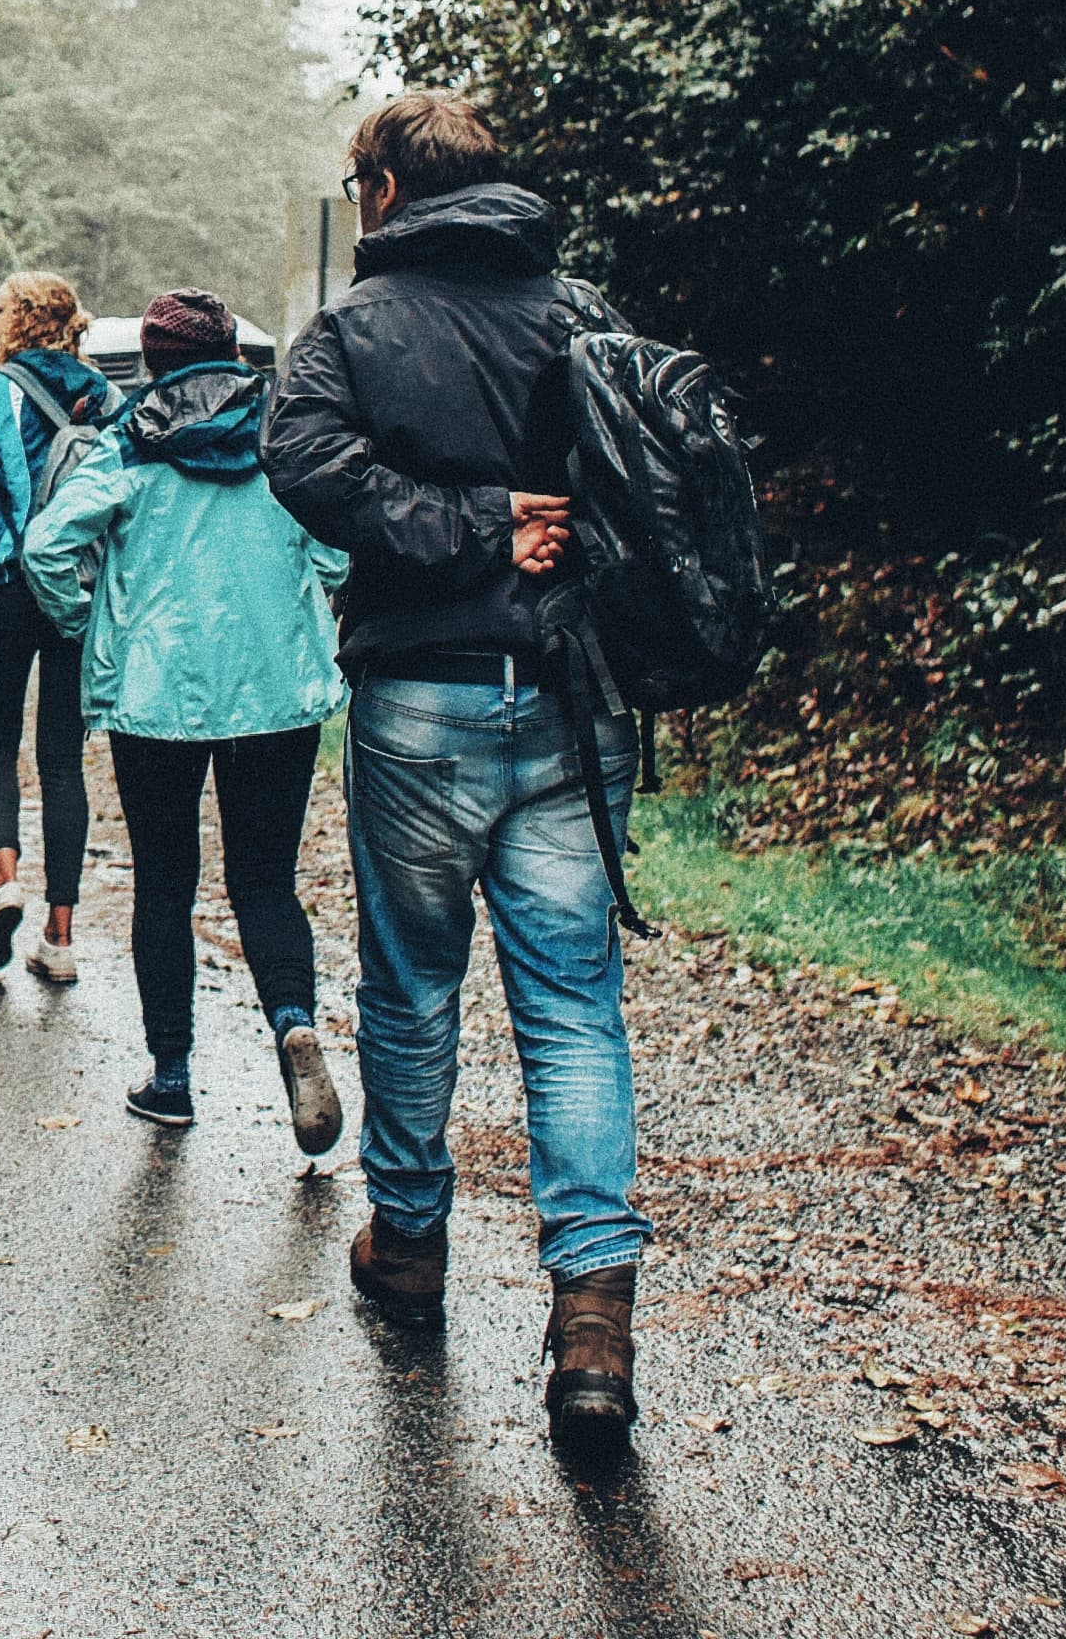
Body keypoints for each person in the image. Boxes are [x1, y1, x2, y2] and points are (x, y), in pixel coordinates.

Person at [262, 90, 652, 1456]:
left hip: (420, 698)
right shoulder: (584, 317)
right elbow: (652, 478)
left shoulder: (354, 331)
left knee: (415, 986)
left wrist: (457, 525)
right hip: (572, 701)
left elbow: (301, 460)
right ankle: (592, 1320)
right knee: (575, 1004)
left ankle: (412, 1245)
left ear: (383, 188)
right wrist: (512, 521)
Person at [22, 290, 350, 1150]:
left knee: (165, 884)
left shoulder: (127, 443)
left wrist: (86, 620)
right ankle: (292, 1022)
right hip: (275, 694)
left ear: (153, 362)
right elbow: (337, 551)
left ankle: (171, 1078)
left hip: (156, 696)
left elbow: (47, 547)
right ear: (235, 355)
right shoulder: (281, 439)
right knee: (265, 881)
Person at [0, 272, 118, 986]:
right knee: (63, 761)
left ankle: (6, 881)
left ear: (25, 319)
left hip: (1, 591)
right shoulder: (108, 400)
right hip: (75, 592)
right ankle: (60, 937)